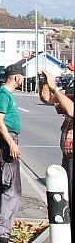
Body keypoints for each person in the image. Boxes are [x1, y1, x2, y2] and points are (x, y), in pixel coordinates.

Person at [0, 61, 25, 243]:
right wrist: (11, 143)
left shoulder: (5, 94)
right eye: (22, 77)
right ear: (16, 77)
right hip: (4, 143)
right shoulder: (3, 94)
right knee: (12, 189)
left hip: (4, 142)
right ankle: (2, 231)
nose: (22, 80)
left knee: (3, 186)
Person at [39, 68, 73, 203]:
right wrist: (44, 83)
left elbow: (71, 110)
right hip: (68, 158)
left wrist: (54, 87)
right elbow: (47, 99)